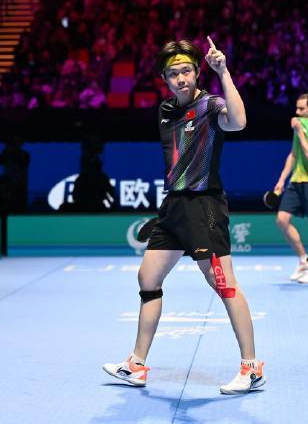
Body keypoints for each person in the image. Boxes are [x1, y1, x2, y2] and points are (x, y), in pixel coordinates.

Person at [103, 38, 265, 395]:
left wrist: (224, 72)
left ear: (196, 73)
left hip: (204, 206)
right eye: (174, 73)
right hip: (174, 206)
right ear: (165, 79)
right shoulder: (165, 110)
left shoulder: (210, 104)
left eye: (187, 71)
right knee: (148, 277)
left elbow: (238, 122)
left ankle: (251, 367)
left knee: (224, 284)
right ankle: (137, 365)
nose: (181, 78)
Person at [273, 93, 308, 284]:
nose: (297, 112)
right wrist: (281, 180)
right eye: (296, 108)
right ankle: (304, 260)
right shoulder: (299, 127)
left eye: (301, 109)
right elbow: (294, 155)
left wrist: (299, 130)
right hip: (296, 180)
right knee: (282, 220)